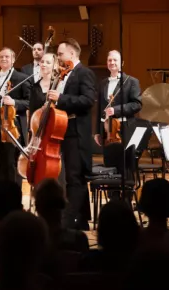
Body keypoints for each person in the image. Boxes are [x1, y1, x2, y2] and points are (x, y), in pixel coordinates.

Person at [48, 38, 96, 230]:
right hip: (66, 130)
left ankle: (67, 222)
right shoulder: (65, 74)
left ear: (72, 54)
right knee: (74, 175)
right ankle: (83, 219)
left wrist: (61, 97)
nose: (58, 58)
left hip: (77, 132)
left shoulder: (84, 73)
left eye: (60, 54)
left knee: (75, 177)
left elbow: (87, 100)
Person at [0, 47, 31, 182]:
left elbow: (29, 102)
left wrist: (14, 102)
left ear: (13, 59)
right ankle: (1, 193)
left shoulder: (21, 78)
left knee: (12, 162)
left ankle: (14, 196)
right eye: (1, 57)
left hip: (13, 125)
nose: (4, 59)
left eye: (7, 57)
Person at [96, 50, 142, 147]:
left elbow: (137, 104)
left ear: (122, 63)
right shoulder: (102, 83)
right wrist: (97, 132)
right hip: (107, 130)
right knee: (109, 160)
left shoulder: (131, 82)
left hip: (125, 128)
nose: (112, 62)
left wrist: (115, 110)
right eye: (109, 60)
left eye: (115, 60)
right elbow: (99, 108)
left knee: (125, 160)